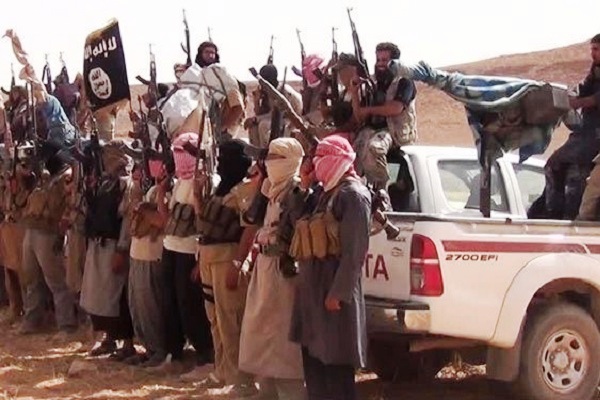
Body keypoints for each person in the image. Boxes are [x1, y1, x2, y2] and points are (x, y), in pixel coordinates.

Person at [290, 134, 371, 400]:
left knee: (335, 366)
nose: (317, 163)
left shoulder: (353, 196)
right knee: (314, 365)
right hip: (313, 289)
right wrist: (304, 185)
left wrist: (338, 293)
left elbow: (355, 252)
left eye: (323, 158)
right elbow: (295, 221)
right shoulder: (321, 194)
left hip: (333, 290)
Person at [238, 137, 307, 400]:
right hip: (265, 268)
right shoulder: (270, 190)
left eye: (277, 158)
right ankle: (266, 389)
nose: (270, 163)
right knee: (261, 329)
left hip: (285, 271)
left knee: (282, 335)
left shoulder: (297, 192)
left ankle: (290, 392)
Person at [194, 139, 259, 396]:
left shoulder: (244, 190)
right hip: (209, 257)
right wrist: (197, 195)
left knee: (231, 318)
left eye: (225, 158)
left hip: (227, 258)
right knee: (215, 319)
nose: (220, 163)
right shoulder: (220, 188)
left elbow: (249, 229)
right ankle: (221, 370)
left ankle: (239, 377)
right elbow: (205, 220)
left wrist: (238, 263)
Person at [158, 132, 213, 377]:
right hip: (171, 247)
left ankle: (205, 357)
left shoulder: (205, 183)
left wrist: (200, 262)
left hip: (190, 252)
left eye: (183, 153)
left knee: (190, 306)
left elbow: (205, 225)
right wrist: (160, 193)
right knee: (169, 304)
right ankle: (174, 354)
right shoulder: (180, 183)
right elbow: (167, 220)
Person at [80, 140, 136, 359]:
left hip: (114, 247)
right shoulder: (106, 182)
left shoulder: (126, 184)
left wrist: (121, 250)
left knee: (117, 297)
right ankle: (109, 339)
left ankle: (127, 343)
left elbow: (127, 220)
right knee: (100, 298)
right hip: (99, 244)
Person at [350, 42, 417, 189]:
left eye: (384, 60)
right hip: (372, 130)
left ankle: (380, 189)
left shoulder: (404, 81)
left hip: (395, 132)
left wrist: (368, 110)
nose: (380, 64)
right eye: (378, 60)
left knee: (375, 148)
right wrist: (354, 92)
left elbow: (395, 108)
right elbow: (359, 116)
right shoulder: (372, 83)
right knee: (351, 151)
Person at [560, 34, 600, 220]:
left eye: (596, 49)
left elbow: (594, 99)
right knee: (558, 166)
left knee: (588, 185)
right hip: (587, 132)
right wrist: (569, 97)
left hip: (594, 137)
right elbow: (584, 89)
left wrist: (577, 102)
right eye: (592, 49)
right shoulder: (596, 70)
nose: (593, 54)